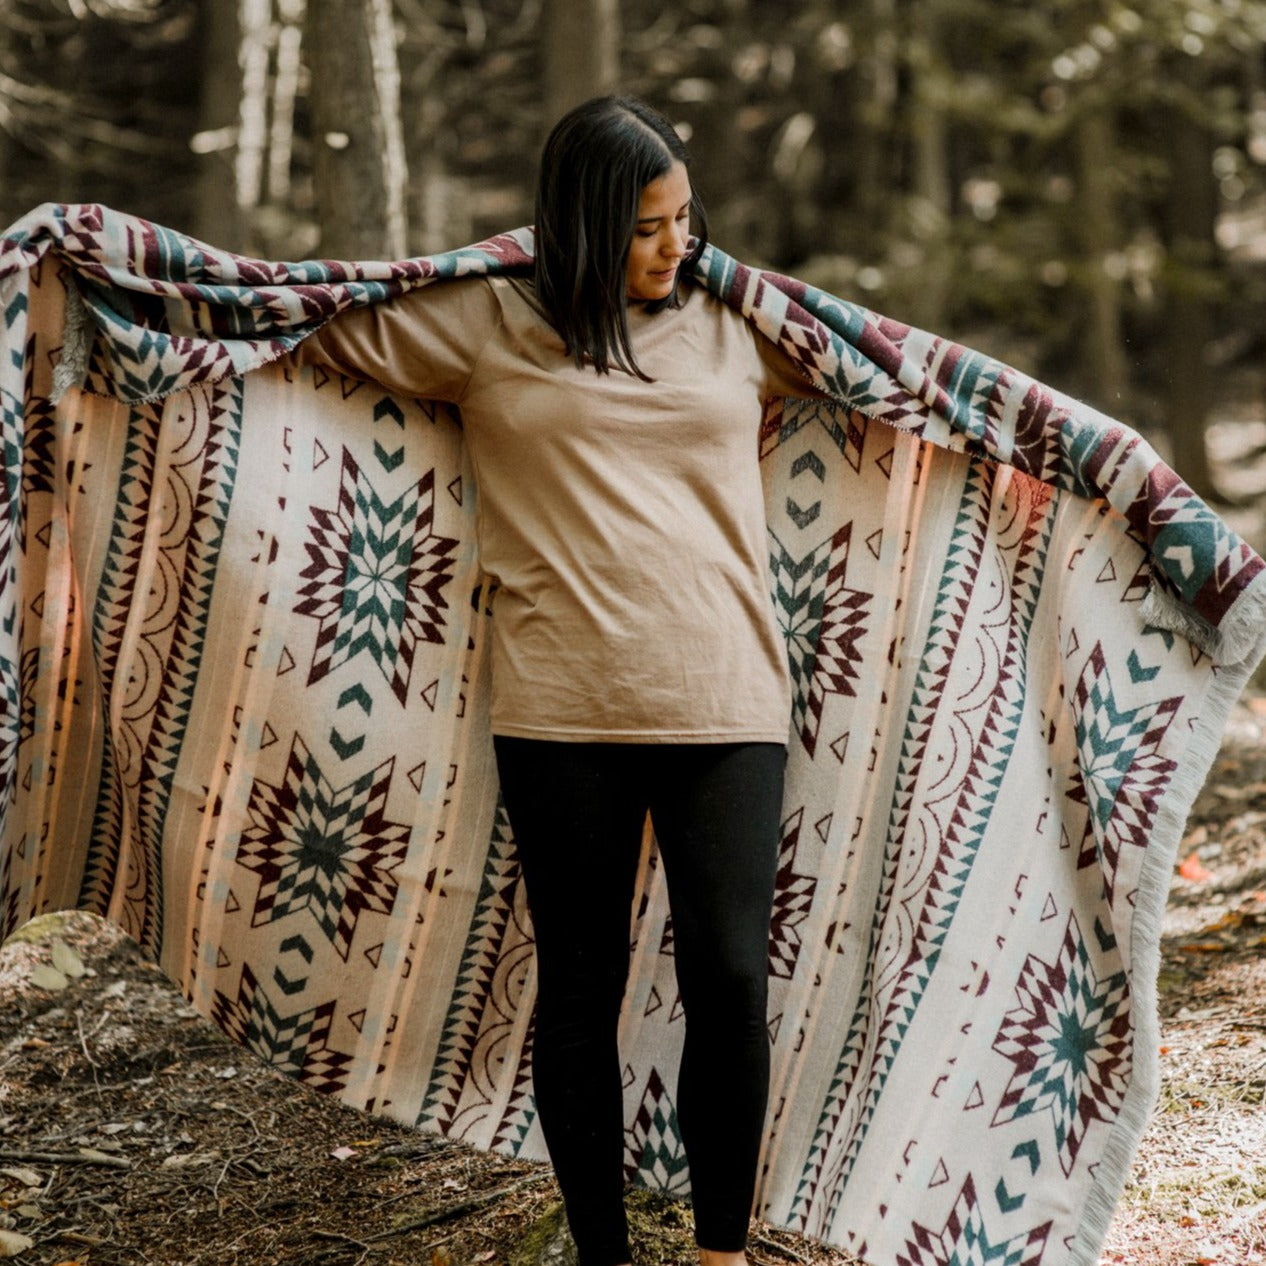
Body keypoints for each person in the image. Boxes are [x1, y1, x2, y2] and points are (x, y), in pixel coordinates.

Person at [289, 94, 823, 1266]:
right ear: (582, 227)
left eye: (685, 218)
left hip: (726, 699)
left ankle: (722, 1254)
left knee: (730, 977)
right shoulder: (485, 323)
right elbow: (300, 321)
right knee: (582, 987)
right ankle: (602, 1254)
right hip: (562, 711)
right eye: (647, 227)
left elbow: (899, 378)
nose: (678, 244)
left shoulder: (741, 325)